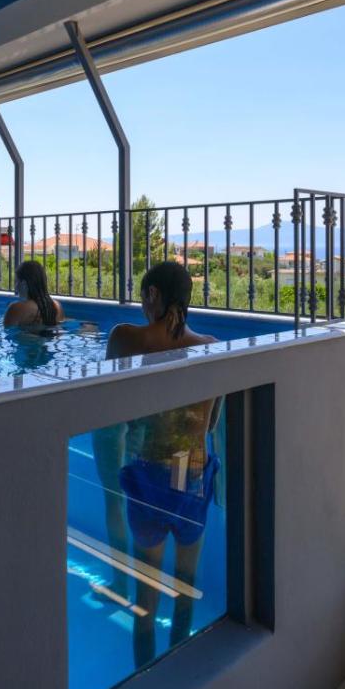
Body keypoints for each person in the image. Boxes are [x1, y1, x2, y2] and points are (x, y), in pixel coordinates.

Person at [91, 261, 221, 667]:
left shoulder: (125, 338)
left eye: (143, 298)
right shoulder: (210, 346)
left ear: (153, 295)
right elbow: (210, 424)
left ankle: (145, 679)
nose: (142, 307)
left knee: (145, 601)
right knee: (185, 589)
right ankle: (178, 672)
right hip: (194, 480)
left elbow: (110, 405)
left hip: (148, 481)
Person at [3, 261, 63, 329]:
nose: (15, 287)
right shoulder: (57, 307)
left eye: (16, 282)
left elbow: (8, 331)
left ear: (24, 284)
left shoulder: (16, 308)